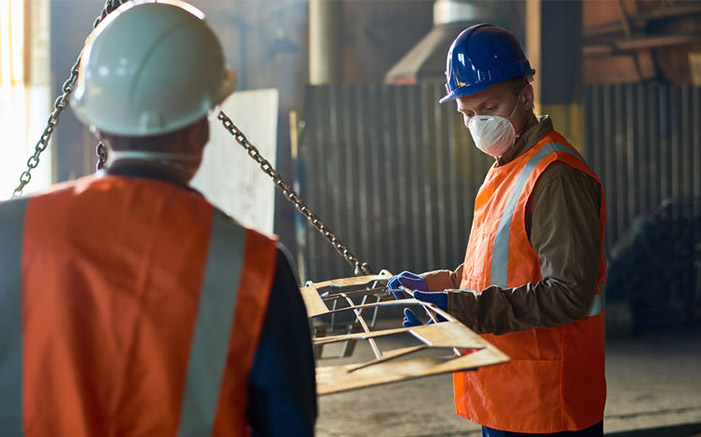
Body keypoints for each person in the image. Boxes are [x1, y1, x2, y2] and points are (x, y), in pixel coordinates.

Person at [0, 1, 316, 435]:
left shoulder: (9, 233)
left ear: (96, 122)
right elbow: (288, 425)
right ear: (202, 126)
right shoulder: (255, 268)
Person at [389, 24, 606, 437]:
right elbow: (499, 267)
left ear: (526, 96)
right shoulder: (508, 166)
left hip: (546, 405)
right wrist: (440, 286)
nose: (477, 124)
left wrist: (460, 308)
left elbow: (569, 294)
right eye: (467, 114)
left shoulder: (554, 175)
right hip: (505, 394)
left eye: (488, 107)